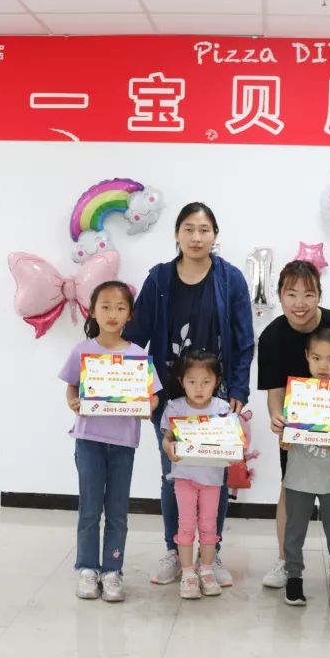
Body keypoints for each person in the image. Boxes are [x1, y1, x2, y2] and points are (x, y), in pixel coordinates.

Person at [124, 202, 255, 588]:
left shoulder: (230, 279)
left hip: (217, 399)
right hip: (170, 398)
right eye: (189, 229)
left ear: (215, 236)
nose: (197, 237)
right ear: (177, 234)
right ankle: (174, 550)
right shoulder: (160, 278)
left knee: (216, 476)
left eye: (204, 230)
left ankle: (211, 555)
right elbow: (136, 337)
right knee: (174, 474)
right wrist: (131, 388)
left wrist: (239, 388)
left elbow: (244, 340)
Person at [256, 260, 330, 591]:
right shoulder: (272, 337)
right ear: (280, 295)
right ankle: (286, 561)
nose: (300, 303)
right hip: (296, 431)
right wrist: (276, 417)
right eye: (291, 294)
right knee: (291, 487)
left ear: (319, 295)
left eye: (308, 294)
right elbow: (275, 391)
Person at [59, 281, 161, 603]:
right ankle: (88, 568)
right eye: (105, 307)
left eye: (120, 307)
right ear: (93, 311)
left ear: (130, 314)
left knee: (117, 510)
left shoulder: (138, 355)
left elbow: (153, 396)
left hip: (123, 443)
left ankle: (112, 570)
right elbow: (71, 387)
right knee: (90, 508)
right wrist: (73, 401)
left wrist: (148, 405)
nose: (112, 314)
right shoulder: (82, 350)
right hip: (88, 440)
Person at [280, 326, 330, 609]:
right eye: (317, 358)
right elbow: (286, 435)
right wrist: (285, 438)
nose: (324, 366)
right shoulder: (297, 394)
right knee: (294, 532)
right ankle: (294, 578)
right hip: (299, 477)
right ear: (307, 357)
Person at [160, 351, 243, 599]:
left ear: (216, 382)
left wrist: (235, 454)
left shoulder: (223, 409)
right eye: (192, 381)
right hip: (184, 478)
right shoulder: (175, 407)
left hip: (213, 480)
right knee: (185, 525)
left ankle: (206, 570)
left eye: (206, 382)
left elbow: (235, 444)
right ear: (181, 381)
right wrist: (168, 446)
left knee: (208, 526)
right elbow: (167, 438)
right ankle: (187, 573)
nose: (199, 388)